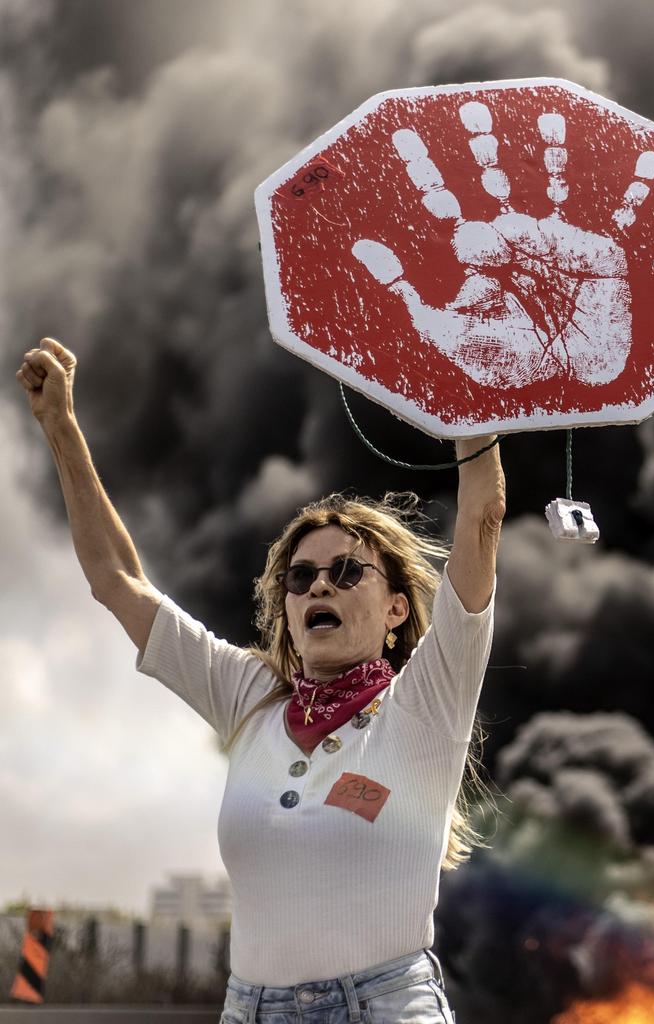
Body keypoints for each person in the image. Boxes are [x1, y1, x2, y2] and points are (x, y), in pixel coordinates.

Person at [16, 336, 506, 1024]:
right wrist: (61, 428)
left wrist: (473, 417)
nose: (317, 588)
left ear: (397, 608)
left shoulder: (426, 705)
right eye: (300, 578)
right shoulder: (249, 697)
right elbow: (116, 580)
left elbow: (482, 523)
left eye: (346, 571)